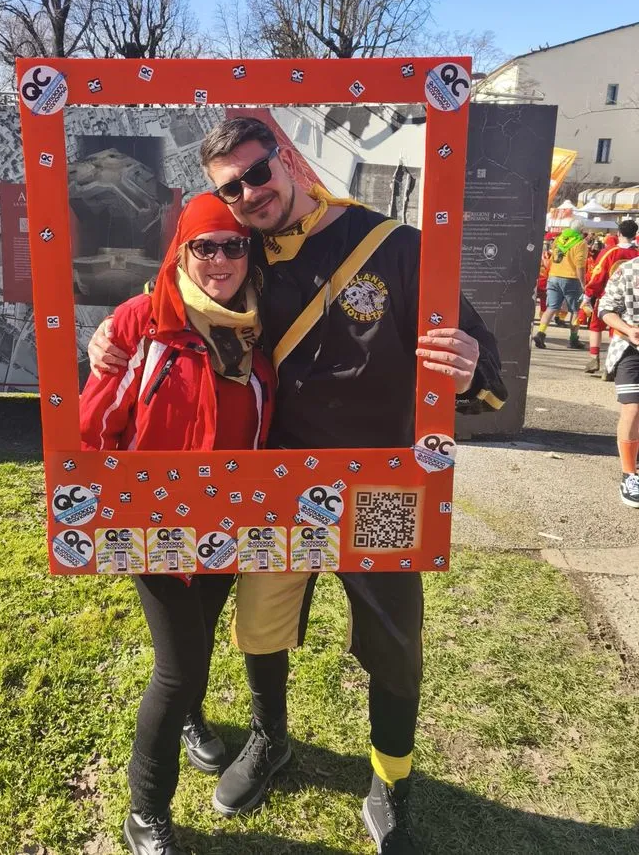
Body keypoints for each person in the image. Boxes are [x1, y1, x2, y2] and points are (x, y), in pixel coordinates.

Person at [90, 117, 507, 853]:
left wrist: (473, 370)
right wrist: (112, 335)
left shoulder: (396, 246)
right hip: (274, 485)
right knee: (262, 627)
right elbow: (179, 295)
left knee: (394, 641)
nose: (249, 194)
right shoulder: (244, 256)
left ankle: (391, 780)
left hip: (380, 487)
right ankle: (270, 737)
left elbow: (478, 368)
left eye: (258, 172)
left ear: (287, 158)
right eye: (232, 188)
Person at [79, 192, 276, 855]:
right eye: (204, 247)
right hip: (152, 524)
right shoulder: (143, 321)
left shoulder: (260, 326)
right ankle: (146, 810)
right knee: (178, 665)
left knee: (202, 635)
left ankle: (192, 718)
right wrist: (104, 512)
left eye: (233, 246)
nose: (220, 260)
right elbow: (94, 427)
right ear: (181, 253)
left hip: (229, 523)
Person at [598, 256, 639, 508]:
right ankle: (629, 475)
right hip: (629, 349)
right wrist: (627, 328)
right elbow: (605, 309)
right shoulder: (628, 270)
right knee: (632, 408)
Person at [582, 220, 639, 375]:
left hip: (607, 296)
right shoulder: (636, 254)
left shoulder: (609, 252)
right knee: (621, 330)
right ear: (634, 234)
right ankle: (613, 363)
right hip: (630, 300)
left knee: (596, 326)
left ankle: (594, 358)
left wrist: (588, 293)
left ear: (619, 233)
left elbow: (598, 274)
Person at [533, 218, 588, 349]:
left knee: (551, 307)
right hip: (571, 279)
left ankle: (540, 333)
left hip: (553, 276)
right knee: (575, 310)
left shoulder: (559, 239)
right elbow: (580, 266)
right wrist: (583, 283)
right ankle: (573, 339)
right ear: (581, 230)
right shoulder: (580, 243)